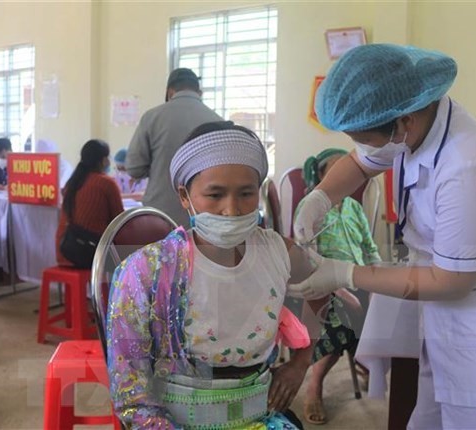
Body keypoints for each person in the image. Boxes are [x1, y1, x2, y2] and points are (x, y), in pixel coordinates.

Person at [289, 44, 476, 428]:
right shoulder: (414, 125)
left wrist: (346, 273)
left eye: (365, 136)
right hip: (450, 328)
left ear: (403, 121)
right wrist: (320, 197)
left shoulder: (468, 164)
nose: (361, 146)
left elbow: (451, 279)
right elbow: (360, 163)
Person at [107, 121, 327, 429]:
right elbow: (131, 393)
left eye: (246, 193)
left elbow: (323, 286)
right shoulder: (147, 271)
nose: (232, 210)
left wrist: (301, 362)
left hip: (261, 418)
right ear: (185, 196)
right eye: (215, 194)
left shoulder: (277, 252)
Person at [298, 148, 380, 425]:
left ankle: (368, 363)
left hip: (357, 277)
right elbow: (304, 258)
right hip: (324, 284)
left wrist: (379, 279)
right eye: (333, 171)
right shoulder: (310, 209)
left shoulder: (354, 208)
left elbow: (369, 247)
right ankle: (315, 387)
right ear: (321, 177)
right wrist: (339, 288)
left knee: (384, 313)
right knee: (344, 320)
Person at [127, 68, 222, 226]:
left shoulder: (152, 117)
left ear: (170, 92)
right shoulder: (217, 121)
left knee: (160, 252)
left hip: (160, 216)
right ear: (200, 93)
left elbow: (134, 168)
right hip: (203, 217)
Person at [55, 139, 124, 267]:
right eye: (108, 157)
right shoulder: (106, 183)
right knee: (135, 252)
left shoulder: (73, 182)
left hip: (65, 250)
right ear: (103, 160)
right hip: (89, 253)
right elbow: (119, 221)